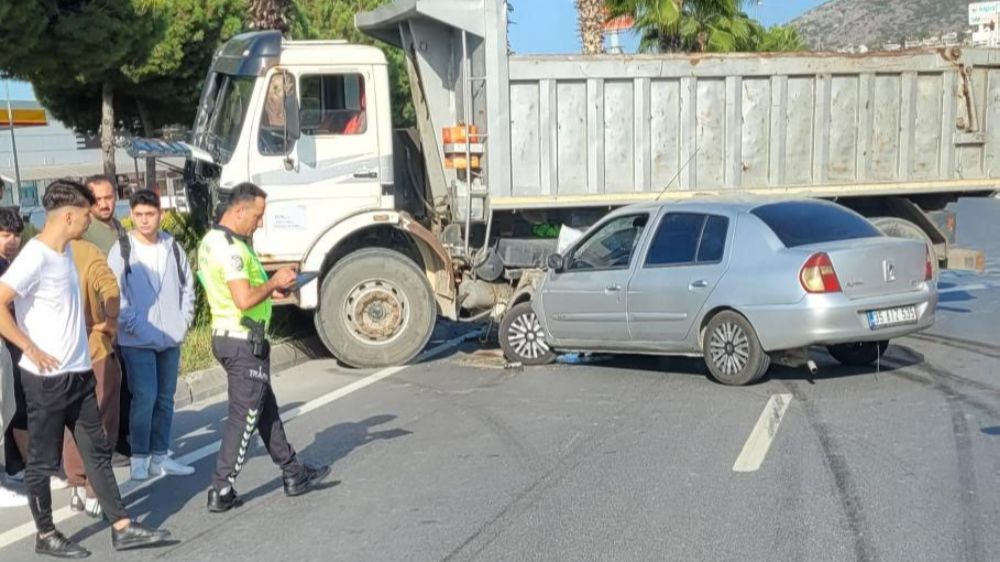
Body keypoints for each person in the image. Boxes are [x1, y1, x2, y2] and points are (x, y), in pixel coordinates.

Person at [0, 179, 171, 558]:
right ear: (68, 216)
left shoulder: (66, 253)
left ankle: (122, 525)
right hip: (45, 380)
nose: (87, 222)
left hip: (78, 374)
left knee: (97, 452)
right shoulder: (35, 255)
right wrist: (28, 346)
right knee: (42, 462)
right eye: (84, 217)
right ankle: (45, 534)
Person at [197, 182, 328, 513]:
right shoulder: (230, 248)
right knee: (245, 415)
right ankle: (221, 488)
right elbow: (242, 299)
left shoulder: (215, 242)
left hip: (233, 337)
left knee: (265, 409)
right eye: (257, 215)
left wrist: (271, 291)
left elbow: (238, 292)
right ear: (239, 210)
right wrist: (273, 282)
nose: (260, 222)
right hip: (243, 341)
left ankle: (293, 472)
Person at [108, 190, 195, 481]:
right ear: (131, 215)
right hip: (137, 339)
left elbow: (188, 287)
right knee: (144, 397)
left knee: (166, 398)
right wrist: (136, 326)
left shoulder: (172, 246)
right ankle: (139, 458)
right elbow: (115, 296)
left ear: (160, 214)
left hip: (170, 337)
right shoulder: (122, 248)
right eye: (139, 215)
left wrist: (183, 322)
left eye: (150, 214)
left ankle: (161, 455)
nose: (145, 220)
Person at [61, 238, 122, 519]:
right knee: (101, 420)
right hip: (92, 348)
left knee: (70, 421)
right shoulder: (87, 251)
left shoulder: (34, 250)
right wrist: (110, 324)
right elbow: (110, 288)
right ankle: (94, 490)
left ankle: (76, 483)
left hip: (56, 354)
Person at [81, 174, 133, 465]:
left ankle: (122, 440)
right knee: (104, 387)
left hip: (123, 317)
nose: (103, 204)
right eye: (97, 199)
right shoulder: (87, 231)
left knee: (121, 384)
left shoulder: (117, 226)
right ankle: (106, 448)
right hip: (100, 321)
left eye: (108, 197)